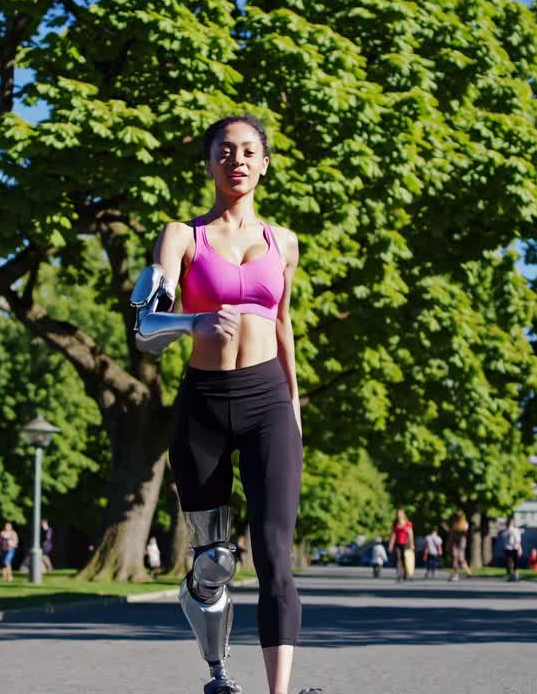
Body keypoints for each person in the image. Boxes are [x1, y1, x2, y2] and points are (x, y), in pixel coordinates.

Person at [132, 115, 312, 694]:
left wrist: (294, 404)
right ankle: (217, 673)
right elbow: (144, 329)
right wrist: (195, 320)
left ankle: (278, 692)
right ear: (209, 163)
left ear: (264, 163)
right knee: (213, 560)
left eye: (249, 151)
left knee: (275, 556)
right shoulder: (182, 236)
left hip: (268, 403)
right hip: (204, 403)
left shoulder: (283, 242)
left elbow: (283, 326)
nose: (237, 159)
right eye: (224, 151)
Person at [389, 509, 415, 582]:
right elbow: (393, 535)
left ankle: (406, 573)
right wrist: (391, 544)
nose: (399, 515)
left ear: (403, 515)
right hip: (397, 543)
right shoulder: (395, 524)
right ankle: (399, 574)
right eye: (398, 514)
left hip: (406, 544)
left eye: (400, 514)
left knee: (405, 559)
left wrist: (412, 544)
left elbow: (410, 534)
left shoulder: (408, 524)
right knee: (398, 558)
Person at [446, 513, 469, 582]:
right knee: (455, 557)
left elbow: (465, 532)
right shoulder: (454, 524)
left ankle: (468, 571)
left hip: (461, 542)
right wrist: (449, 544)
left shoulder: (465, 524)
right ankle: (455, 574)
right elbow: (451, 535)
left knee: (461, 558)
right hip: (454, 543)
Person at [501, 517, 522, 582]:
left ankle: (515, 575)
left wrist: (519, 548)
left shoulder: (515, 530)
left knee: (515, 562)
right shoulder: (505, 531)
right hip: (507, 548)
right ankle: (510, 575)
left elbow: (518, 540)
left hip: (514, 548)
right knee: (508, 562)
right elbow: (503, 539)